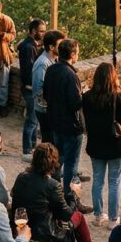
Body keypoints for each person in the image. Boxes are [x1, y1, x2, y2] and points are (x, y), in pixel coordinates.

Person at [10, 143, 96, 242]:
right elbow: (66, 214)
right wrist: (73, 195)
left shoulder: (21, 176)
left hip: (21, 227)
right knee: (79, 216)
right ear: (53, 163)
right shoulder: (52, 185)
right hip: (44, 233)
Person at [83, 62, 121, 227]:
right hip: (115, 144)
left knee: (97, 180)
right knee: (114, 181)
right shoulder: (117, 96)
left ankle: (98, 215)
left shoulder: (87, 97)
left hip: (96, 143)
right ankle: (112, 218)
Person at [44, 38, 86, 195]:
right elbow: (75, 104)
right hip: (71, 126)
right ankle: (69, 196)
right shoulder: (70, 74)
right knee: (70, 164)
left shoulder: (51, 69)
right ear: (73, 54)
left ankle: (54, 190)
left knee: (57, 160)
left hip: (55, 122)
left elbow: (47, 94)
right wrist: (83, 95)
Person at [31, 29, 65, 151]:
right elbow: (38, 90)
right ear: (51, 47)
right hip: (44, 109)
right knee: (49, 141)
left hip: (50, 108)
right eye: (60, 45)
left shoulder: (54, 60)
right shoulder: (42, 63)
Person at [17, 19, 45, 158]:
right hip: (29, 88)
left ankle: (32, 146)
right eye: (41, 31)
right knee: (31, 120)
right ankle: (27, 149)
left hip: (30, 87)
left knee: (34, 120)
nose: (43, 33)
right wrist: (31, 85)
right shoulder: (28, 47)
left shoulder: (31, 45)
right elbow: (28, 70)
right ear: (34, 31)